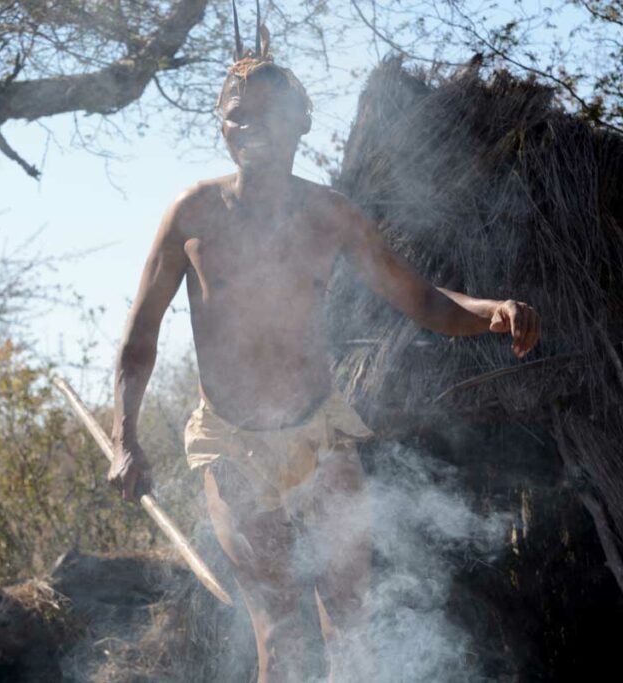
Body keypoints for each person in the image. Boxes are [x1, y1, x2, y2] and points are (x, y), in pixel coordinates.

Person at [106, 36, 541, 683]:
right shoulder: (191, 214)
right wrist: (124, 437)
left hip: (321, 432)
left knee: (351, 628)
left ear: (301, 121)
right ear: (221, 126)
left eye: (268, 113)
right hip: (234, 443)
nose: (251, 127)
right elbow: (141, 335)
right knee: (282, 637)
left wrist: (489, 310)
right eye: (237, 115)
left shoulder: (330, 216)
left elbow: (421, 297)